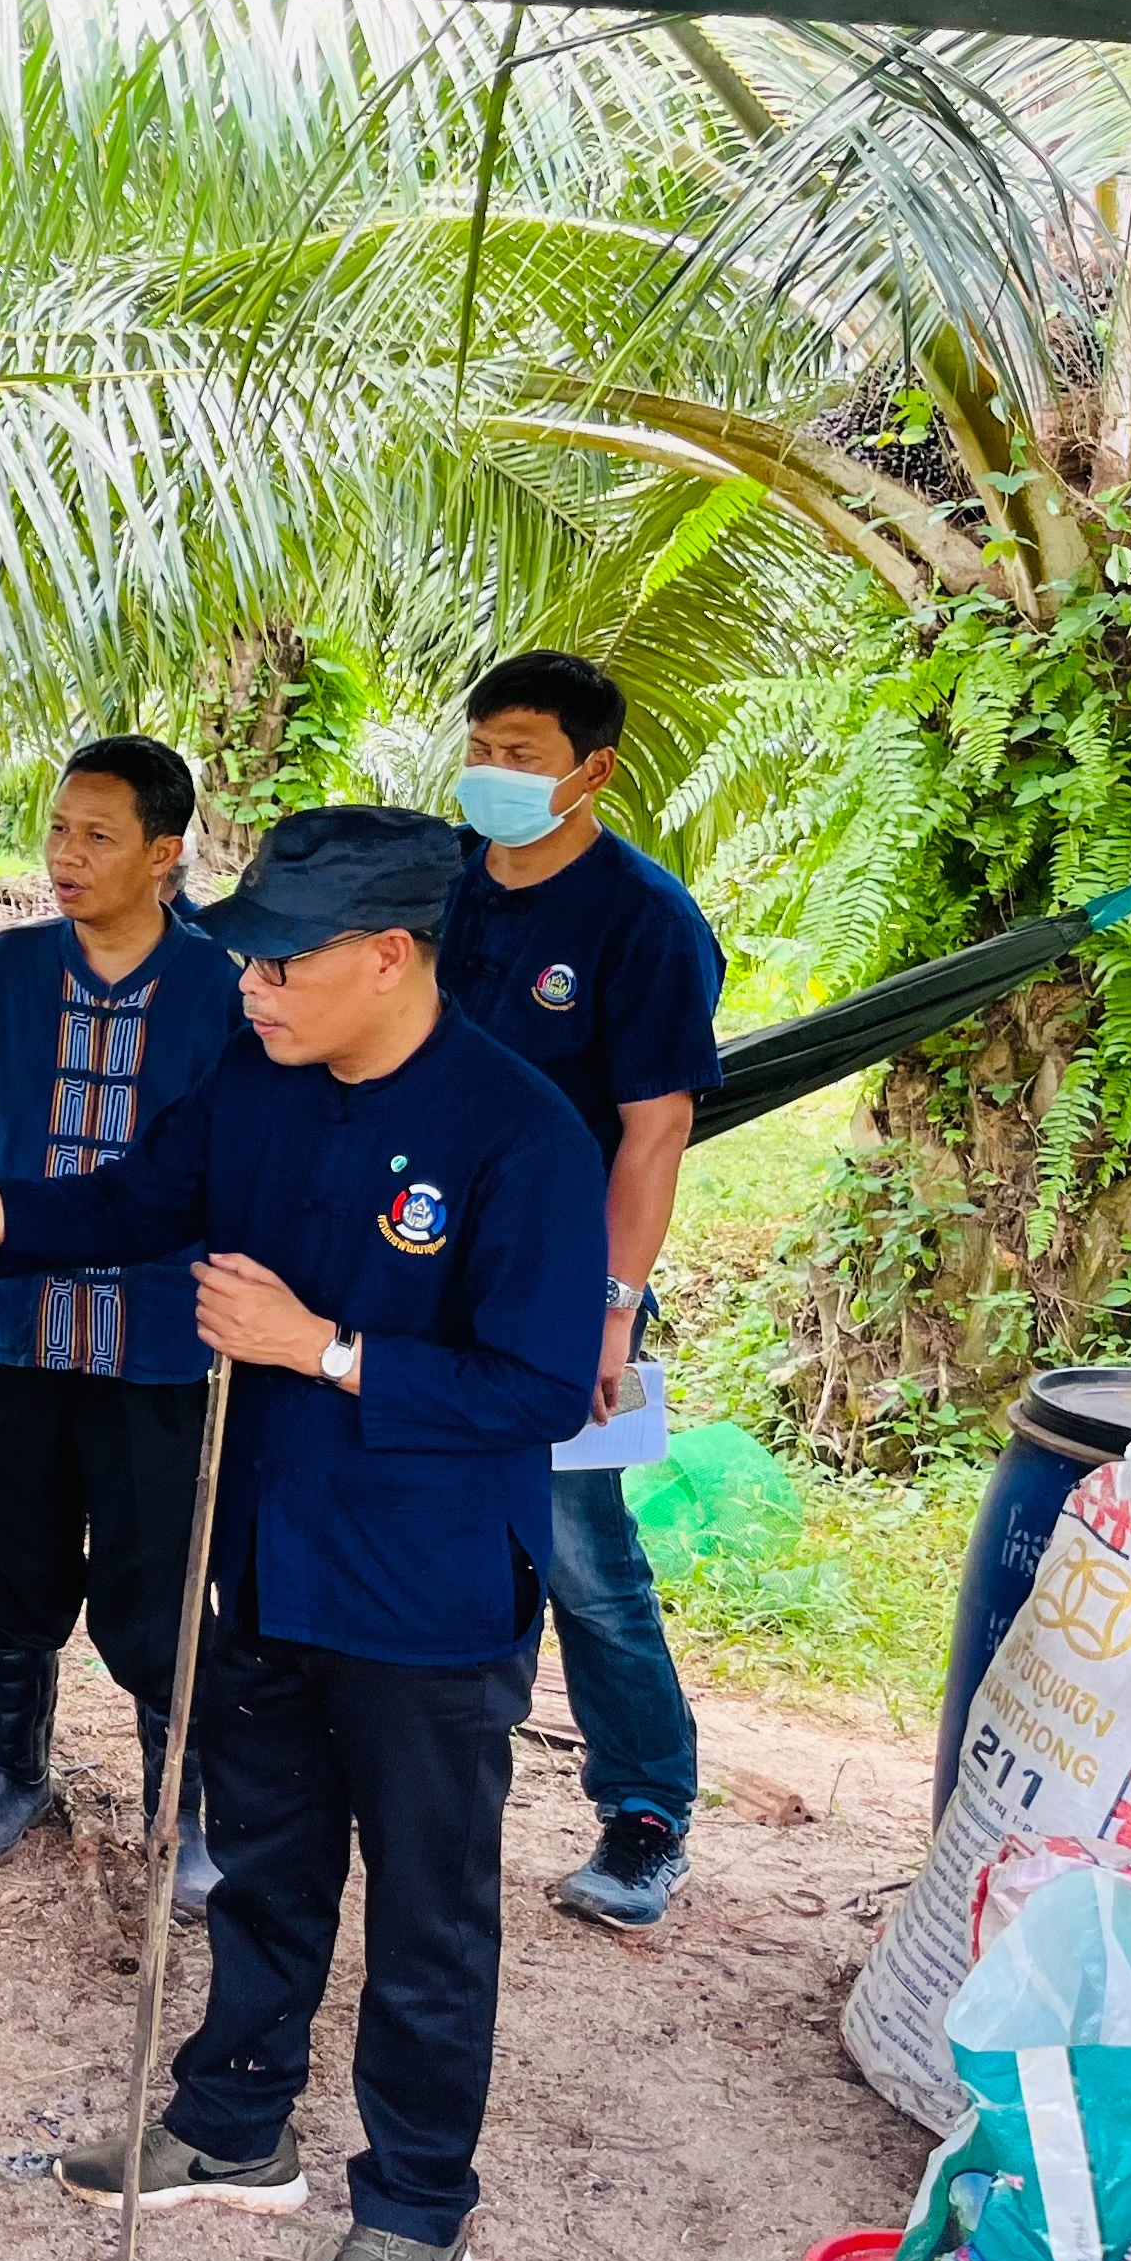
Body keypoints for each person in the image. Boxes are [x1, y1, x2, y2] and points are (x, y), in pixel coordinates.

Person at [0, 807, 603, 2261]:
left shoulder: (520, 1136)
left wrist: (327, 1349)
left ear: (389, 956)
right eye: (247, 962)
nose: (253, 991)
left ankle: (418, 2209)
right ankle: (236, 2127)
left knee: (429, 1913)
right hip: (264, 1553)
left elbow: (542, 1389)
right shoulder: (258, 1084)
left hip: (427, 1590)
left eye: (285, 967)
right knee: (268, 1866)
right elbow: (128, 1206)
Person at [0, 736, 243, 1896]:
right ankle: (14, 1772)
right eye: (57, 830)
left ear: (165, 854)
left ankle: (177, 1810)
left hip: (160, 1345)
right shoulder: (6, 971)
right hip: (20, 1329)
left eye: (97, 836)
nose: (65, 857)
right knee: (11, 1561)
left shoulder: (224, 988)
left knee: (161, 1582)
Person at [441, 651, 725, 1929]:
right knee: (424, 1529)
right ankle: (442, 1785)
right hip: (407, 1266)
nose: (494, 775)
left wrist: (610, 1307)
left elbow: (653, 1134)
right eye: (483, 748)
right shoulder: (440, 887)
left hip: (557, 1287)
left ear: (591, 770)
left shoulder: (642, 922)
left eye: (522, 753)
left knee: (580, 1556)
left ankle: (646, 1811)